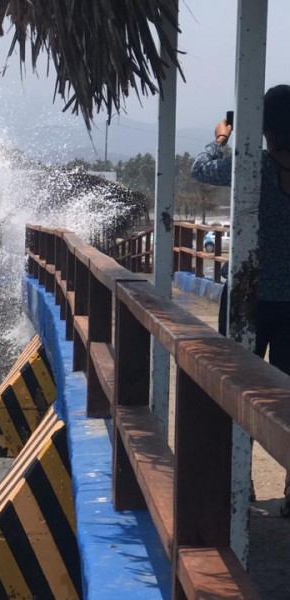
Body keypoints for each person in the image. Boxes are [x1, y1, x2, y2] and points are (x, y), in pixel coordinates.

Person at [192, 84, 290, 515]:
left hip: (249, 296)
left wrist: (222, 136)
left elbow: (203, 168)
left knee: (237, 390)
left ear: (261, 125)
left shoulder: (251, 166)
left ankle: (239, 483)